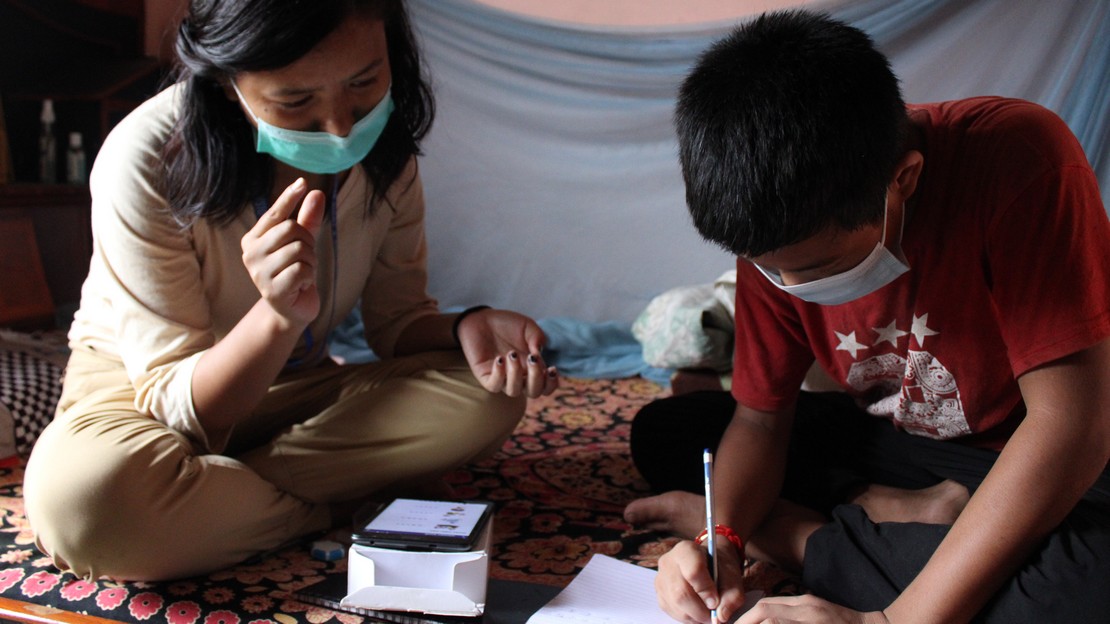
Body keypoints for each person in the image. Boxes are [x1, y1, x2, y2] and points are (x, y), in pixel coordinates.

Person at [23, 0, 559, 582]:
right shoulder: (146, 157)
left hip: (293, 391)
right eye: (296, 101)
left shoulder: (386, 152)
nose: (341, 125)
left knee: (491, 394)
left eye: (363, 82)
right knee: (87, 507)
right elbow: (179, 407)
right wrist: (276, 318)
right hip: (140, 400)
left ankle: (209, 501)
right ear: (228, 82)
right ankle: (335, 501)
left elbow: (397, 322)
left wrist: (465, 328)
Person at [624, 10, 1110, 624]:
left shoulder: (1019, 157)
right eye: (771, 270)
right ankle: (881, 508)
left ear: (902, 180)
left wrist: (894, 620)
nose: (792, 288)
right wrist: (722, 534)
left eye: (820, 264)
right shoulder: (775, 224)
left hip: (1031, 441)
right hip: (899, 442)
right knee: (666, 431)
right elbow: (761, 423)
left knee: (1089, 589)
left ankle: (805, 537)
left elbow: (1072, 427)